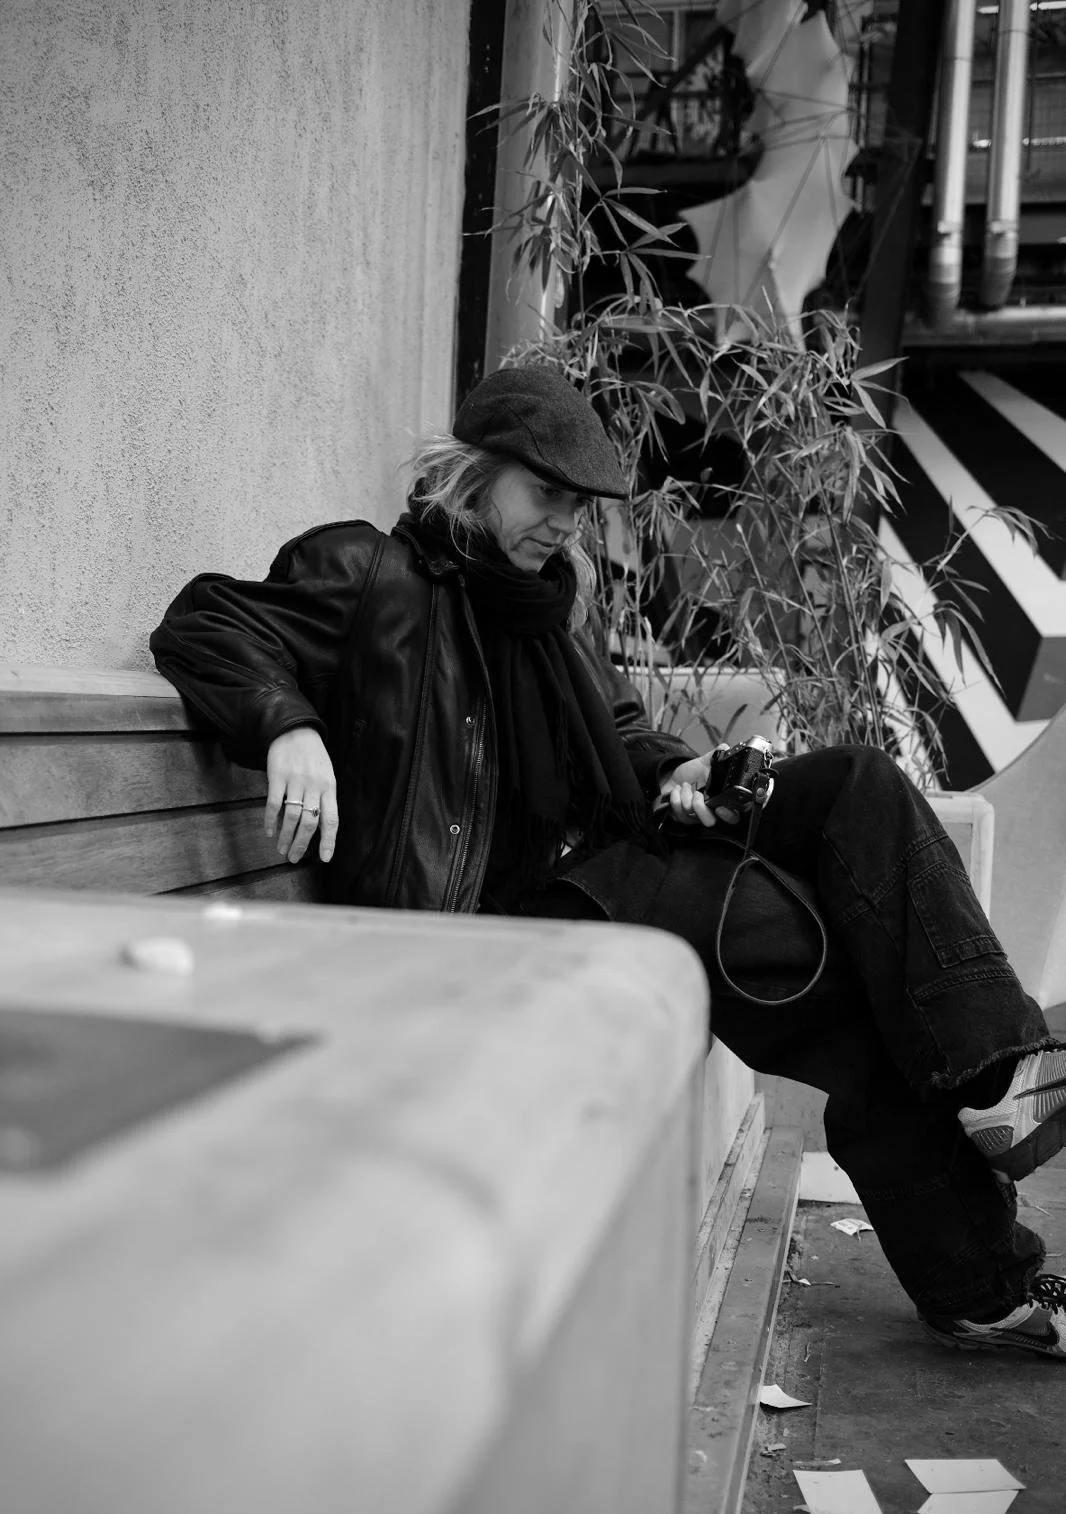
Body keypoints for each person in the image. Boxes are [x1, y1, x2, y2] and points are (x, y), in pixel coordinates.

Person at [151, 364, 1066, 1359]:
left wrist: (686, 769)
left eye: (579, 509)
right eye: (547, 496)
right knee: (826, 980)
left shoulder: (553, 607)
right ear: (474, 471)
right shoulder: (370, 574)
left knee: (856, 785)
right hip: (510, 912)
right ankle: (982, 1261)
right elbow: (205, 622)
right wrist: (288, 727)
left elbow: (619, 734)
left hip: (612, 853)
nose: (565, 525)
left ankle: (993, 1084)